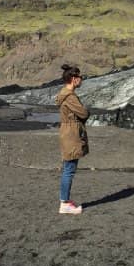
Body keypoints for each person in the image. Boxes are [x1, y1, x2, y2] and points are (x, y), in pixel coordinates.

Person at [55, 64, 89, 214]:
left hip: (67, 132)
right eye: (80, 77)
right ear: (74, 79)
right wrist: (87, 111)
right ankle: (65, 204)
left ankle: (65, 201)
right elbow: (83, 113)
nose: (82, 80)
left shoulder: (64, 94)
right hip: (71, 134)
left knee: (68, 168)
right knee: (69, 170)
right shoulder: (70, 96)